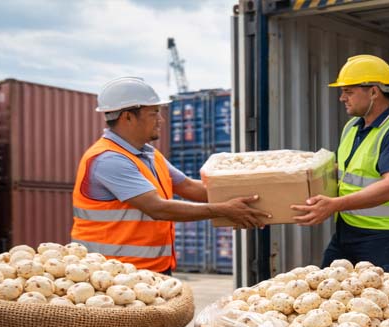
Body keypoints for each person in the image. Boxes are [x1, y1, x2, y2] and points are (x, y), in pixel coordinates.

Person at [71, 77, 270, 274]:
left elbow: (190, 187)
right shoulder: (109, 159)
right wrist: (224, 210)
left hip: (150, 269)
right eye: (154, 113)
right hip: (112, 274)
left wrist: (259, 194)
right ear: (127, 117)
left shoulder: (148, 154)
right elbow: (157, 208)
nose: (161, 120)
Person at [292, 55, 389, 274]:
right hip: (346, 232)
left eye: (348, 91)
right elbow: (347, 171)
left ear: (374, 91)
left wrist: (334, 204)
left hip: (386, 240)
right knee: (326, 297)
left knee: (383, 305)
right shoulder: (352, 127)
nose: (341, 98)